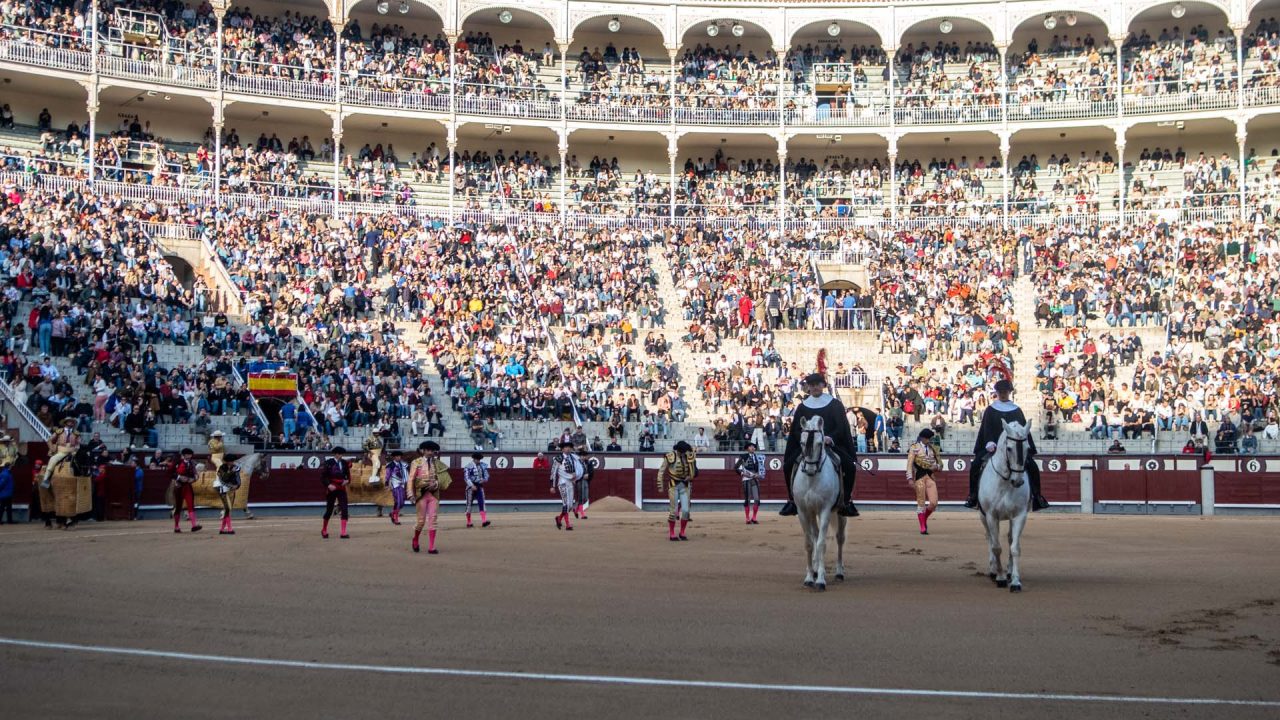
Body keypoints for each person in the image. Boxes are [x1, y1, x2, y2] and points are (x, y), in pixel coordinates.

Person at [779, 374, 858, 517]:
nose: (814, 387)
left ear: (823, 385)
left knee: (849, 466)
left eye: (817, 384)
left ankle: (846, 502)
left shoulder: (835, 404)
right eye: (811, 384)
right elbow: (796, 430)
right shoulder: (803, 406)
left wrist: (830, 438)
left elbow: (841, 427)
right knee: (788, 465)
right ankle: (792, 500)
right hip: (809, 447)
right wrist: (805, 438)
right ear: (807, 387)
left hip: (830, 445)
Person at [964, 379, 1050, 511]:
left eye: (1005, 392)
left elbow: (1022, 430)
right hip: (994, 448)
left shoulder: (1016, 410)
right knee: (975, 465)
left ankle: (1037, 496)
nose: (1003, 394)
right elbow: (987, 429)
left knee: (1032, 466)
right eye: (1000, 392)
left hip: (1014, 448)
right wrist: (989, 442)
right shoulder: (990, 409)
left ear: (1010, 392)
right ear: (997, 393)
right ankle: (973, 496)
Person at [408, 441, 450, 553]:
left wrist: (436, 483)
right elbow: (411, 479)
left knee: (433, 520)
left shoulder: (437, 463)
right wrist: (410, 494)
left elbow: (443, 479)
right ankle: (415, 539)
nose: (431, 452)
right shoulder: (416, 462)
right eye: (428, 450)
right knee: (421, 521)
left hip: (434, 495)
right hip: (421, 495)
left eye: (432, 450)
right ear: (423, 451)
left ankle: (431, 547)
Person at [658, 440, 698, 541]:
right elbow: (661, 471)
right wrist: (660, 485)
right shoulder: (670, 456)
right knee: (673, 511)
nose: (685, 453)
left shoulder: (688, 456)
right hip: (673, 485)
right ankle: (672, 533)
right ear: (679, 450)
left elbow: (695, 471)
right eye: (684, 451)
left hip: (685, 485)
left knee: (685, 511)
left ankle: (682, 532)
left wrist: (691, 476)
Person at [906, 429, 941, 535]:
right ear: (923, 438)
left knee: (934, 503)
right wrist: (910, 478)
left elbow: (939, 464)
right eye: (928, 438)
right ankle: (922, 527)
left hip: (930, 476)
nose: (929, 440)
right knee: (921, 502)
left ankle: (923, 518)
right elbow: (909, 464)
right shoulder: (914, 447)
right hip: (919, 477)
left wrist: (937, 466)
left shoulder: (932, 449)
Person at [548, 440, 583, 531]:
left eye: (569, 447)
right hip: (562, 483)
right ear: (562, 449)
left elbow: (577, 468)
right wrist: (552, 486)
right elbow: (553, 472)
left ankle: (559, 519)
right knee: (566, 504)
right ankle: (568, 524)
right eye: (566, 447)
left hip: (571, 482)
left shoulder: (573, 457)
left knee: (570, 506)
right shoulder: (558, 458)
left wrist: (576, 475)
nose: (568, 449)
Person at [320, 446, 351, 539]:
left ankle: (343, 532)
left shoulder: (344, 463)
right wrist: (329, 485)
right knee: (329, 510)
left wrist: (347, 481)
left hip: (341, 488)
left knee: (344, 509)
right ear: (336, 454)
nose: (341, 456)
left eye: (342, 454)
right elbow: (323, 477)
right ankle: (324, 530)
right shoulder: (329, 463)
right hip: (332, 488)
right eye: (340, 454)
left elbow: (348, 476)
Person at [41, 418, 80, 488]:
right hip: (61, 452)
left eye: (72, 422)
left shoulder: (76, 433)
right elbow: (49, 440)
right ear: (65, 423)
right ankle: (46, 479)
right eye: (69, 422)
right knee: (53, 460)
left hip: (73, 452)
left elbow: (78, 444)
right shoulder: (59, 431)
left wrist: (76, 448)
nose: (71, 423)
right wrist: (52, 449)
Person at [734, 440, 765, 524]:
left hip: (755, 479)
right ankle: (747, 518)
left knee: (757, 499)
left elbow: (761, 469)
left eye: (754, 446)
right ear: (747, 448)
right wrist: (742, 473)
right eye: (751, 446)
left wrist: (759, 474)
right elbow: (736, 467)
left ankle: (754, 518)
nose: (753, 448)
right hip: (746, 479)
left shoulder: (758, 457)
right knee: (747, 499)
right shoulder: (743, 456)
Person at [172, 448, 202, 533]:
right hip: (179, 486)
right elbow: (171, 473)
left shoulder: (192, 463)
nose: (189, 456)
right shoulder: (178, 462)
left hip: (188, 486)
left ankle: (194, 525)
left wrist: (195, 477)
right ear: (184, 455)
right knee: (178, 507)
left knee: (190, 505)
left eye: (190, 454)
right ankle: (176, 526)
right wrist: (179, 478)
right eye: (187, 454)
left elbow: (195, 474)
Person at [214, 459, 242, 535]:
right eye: (230, 461)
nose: (232, 462)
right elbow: (223, 479)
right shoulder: (221, 468)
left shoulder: (236, 467)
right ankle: (229, 529)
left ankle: (222, 529)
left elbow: (238, 478)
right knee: (228, 508)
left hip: (231, 490)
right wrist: (231, 473)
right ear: (226, 461)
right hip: (222, 489)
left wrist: (237, 486)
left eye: (232, 461)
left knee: (228, 509)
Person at [464, 452, 491, 528]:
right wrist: (471, 485)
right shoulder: (468, 466)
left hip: (479, 486)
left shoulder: (483, 465)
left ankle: (484, 521)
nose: (478, 461)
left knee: (482, 503)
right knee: (469, 505)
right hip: (470, 488)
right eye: (477, 459)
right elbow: (466, 477)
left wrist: (484, 480)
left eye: (479, 459)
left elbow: (486, 475)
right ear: (474, 459)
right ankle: (469, 522)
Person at [384, 450, 408, 525]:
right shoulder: (390, 465)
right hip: (395, 485)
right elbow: (387, 476)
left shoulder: (403, 465)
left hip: (402, 485)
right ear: (394, 457)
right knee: (398, 502)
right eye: (397, 456)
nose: (398, 457)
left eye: (399, 456)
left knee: (402, 502)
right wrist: (387, 484)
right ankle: (396, 519)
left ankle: (392, 513)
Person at [574, 448, 594, 519]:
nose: (584, 457)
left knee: (585, 497)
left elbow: (592, 471)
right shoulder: (577, 463)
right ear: (580, 456)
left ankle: (576, 510)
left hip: (586, 481)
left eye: (585, 456)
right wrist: (583, 475)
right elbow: (575, 473)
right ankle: (582, 514)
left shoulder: (588, 462)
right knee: (581, 497)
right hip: (579, 481)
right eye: (582, 456)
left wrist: (588, 475)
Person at [0, 435, 15, 524]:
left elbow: (14, 456)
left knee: (7, 507)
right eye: (5, 441)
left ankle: (9, 520)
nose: (6, 442)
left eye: (7, 441)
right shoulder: (5, 473)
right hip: (5, 493)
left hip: (6, 492)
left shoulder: (12, 448)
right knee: (3, 507)